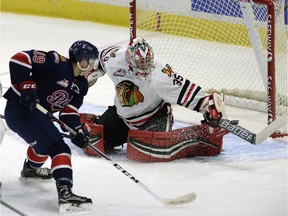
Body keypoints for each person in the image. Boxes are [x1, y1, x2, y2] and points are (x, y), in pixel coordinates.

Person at [2, 40, 102, 213]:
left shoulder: (81, 85)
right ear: (81, 60)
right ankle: (65, 194)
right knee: (58, 148)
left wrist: (77, 130)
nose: (93, 66)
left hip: (36, 115)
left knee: (44, 144)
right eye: (90, 61)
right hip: (20, 109)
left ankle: (30, 170)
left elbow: (69, 111)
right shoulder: (56, 63)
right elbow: (20, 58)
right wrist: (26, 87)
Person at [84, 38, 227, 158]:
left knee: (147, 153)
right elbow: (100, 58)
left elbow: (186, 91)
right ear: (129, 60)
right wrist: (92, 71)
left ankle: (194, 138)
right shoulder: (115, 60)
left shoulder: (161, 73)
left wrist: (209, 106)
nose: (145, 67)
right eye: (140, 63)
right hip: (123, 117)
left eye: (147, 62)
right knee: (96, 141)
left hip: (154, 116)